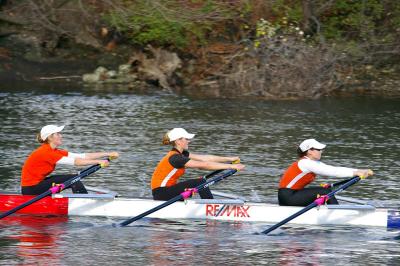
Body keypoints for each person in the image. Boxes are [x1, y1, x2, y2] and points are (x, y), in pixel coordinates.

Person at [21, 125, 119, 195]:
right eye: (58, 134)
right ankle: (83, 202)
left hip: (38, 184)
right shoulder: (46, 152)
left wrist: (107, 153)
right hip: (31, 189)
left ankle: (82, 198)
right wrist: (98, 162)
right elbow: (76, 162)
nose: (61, 136)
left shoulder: (55, 151)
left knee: (73, 179)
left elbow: (82, 156)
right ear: (50, 137)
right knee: (73, 179)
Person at [151, 128, 245, 201]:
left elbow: (205, 158)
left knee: (200, 181)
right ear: (178, 141)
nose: (189, 141)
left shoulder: (181, 154)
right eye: (186, 139)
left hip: (167, 190)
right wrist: (231, 166)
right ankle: (211, 207)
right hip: (162, 192)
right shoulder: (176, 158)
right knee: (200, 182)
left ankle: (209, 204)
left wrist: (229, 159)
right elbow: (204, 165)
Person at [278, 138, 373, 206]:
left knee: (324, 191)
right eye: (318, 149)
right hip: (288, 197)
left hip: (293, 194)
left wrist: (358, 171)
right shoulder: (306, 163)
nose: (321, 152)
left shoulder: (311, 162)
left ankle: (330, 210)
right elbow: (333, 171)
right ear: (309, 151)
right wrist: (356, 172)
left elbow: (333, 168)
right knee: (325, 192)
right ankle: (336, 214)